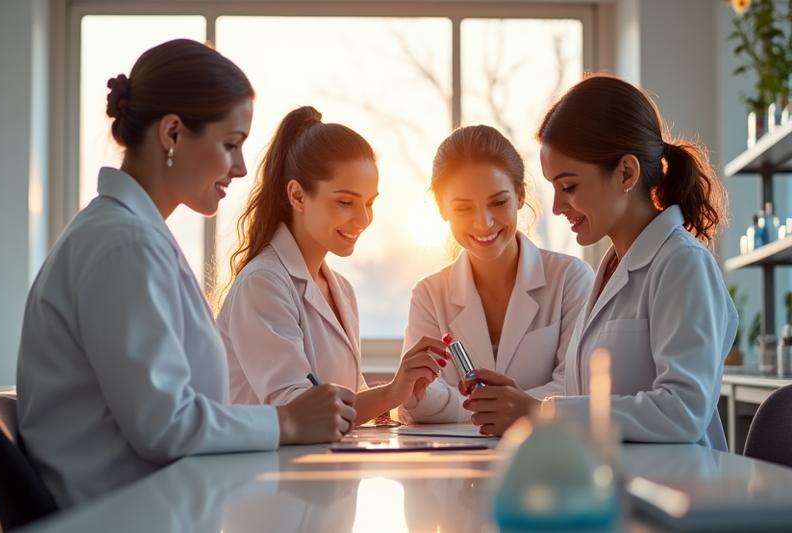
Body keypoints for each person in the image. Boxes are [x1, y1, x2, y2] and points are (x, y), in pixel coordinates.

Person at [16, 39, 356, 508]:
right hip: (125, 514)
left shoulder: (134, 236)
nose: (240, 168)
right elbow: (164, 427)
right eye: (230, 145)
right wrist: (288, 422)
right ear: (172, 133)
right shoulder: (123, 246)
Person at [465, 75, 735, 450]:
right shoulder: (611, 267)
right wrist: (528, 407)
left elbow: (683, 411)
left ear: (626, 172)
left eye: (569, 186)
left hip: (679, 490)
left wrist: (539, 412)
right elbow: (593, 403)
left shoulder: (682, 264)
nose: (557, 207)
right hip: (613, 483)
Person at [217, 106, 446, 425]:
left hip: (321, 468)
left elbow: (350, 397)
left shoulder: (341, 289)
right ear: (297, 196)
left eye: (369, 203)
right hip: (261, 471)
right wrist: (390, 393)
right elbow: (297, 409)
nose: (363, 219)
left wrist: (401, 396)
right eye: (345, 202)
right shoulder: (263, 283)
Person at [400, 125, 593, 430]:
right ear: (441, 209)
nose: (483, 222)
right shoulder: (429, 294)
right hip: (458, 468)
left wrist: (466, 406)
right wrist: (517, 408)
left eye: (499, 202)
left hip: (544, 460)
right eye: (464, 208)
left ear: (520, 195)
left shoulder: (570, 279)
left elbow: (576, 389)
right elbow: (418, 399)